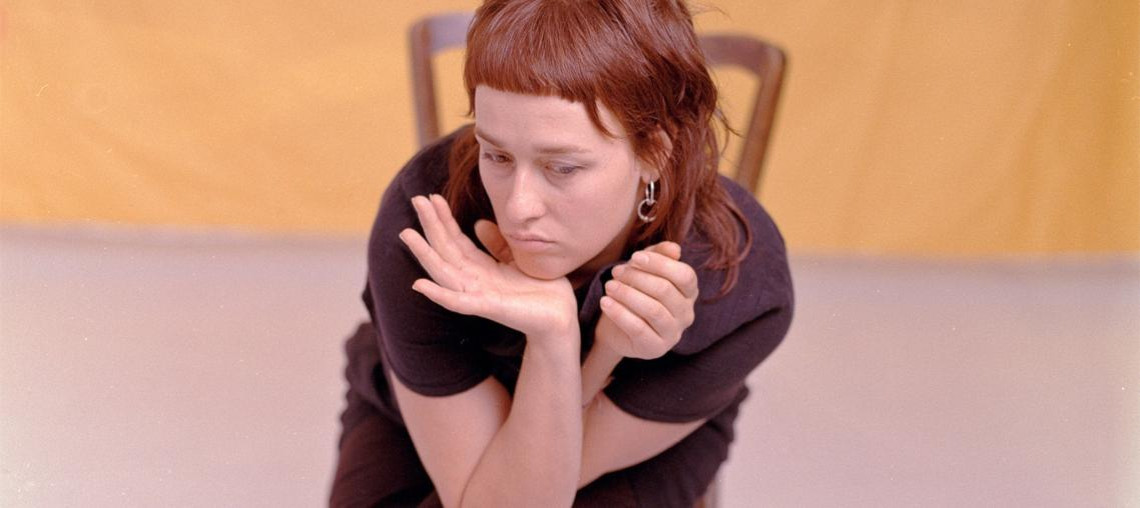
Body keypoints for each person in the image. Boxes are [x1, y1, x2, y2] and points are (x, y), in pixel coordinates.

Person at [329, 0, 793, 506]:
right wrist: (557, 334)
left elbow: (524, 494)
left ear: (653, 152)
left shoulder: (735, 279)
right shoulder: (424, 217)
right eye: (497, 155)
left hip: (630, 429)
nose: (519, 207)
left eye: (563, 168)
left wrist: (568, 343)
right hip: (421, 415)